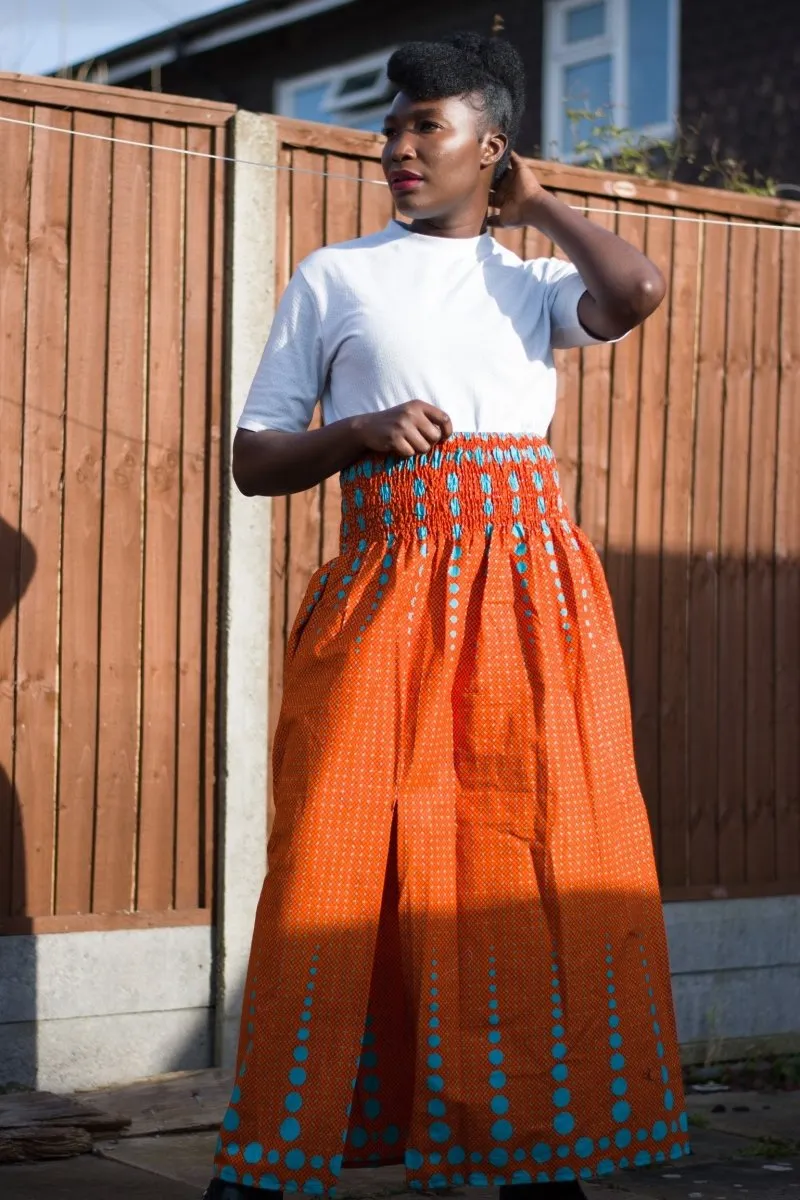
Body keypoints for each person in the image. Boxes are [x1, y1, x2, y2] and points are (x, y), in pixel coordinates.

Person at [204, 31, 688, 1200]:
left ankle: (532, 1153)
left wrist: (544, 203)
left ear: (490, 147)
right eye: (392, 127)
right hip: (382, 588)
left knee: (524, 858)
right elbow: (253, 458)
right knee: (333, 858)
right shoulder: (335, 275)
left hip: (528, 599)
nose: (398, 148)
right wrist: (354, 434)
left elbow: (636, 291)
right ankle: (273, 1160)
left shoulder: (530, 286)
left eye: (427, 126)